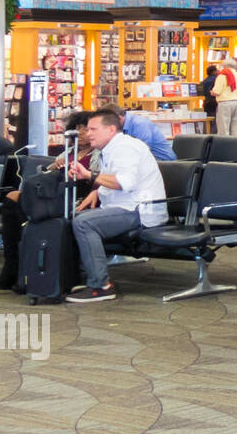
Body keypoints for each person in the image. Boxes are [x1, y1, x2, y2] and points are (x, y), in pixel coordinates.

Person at [66, 110, 167, 303]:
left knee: (84, 223)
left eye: (93, 129)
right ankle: (86, 277)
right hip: (127, 206)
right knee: (73, 216)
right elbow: (115, 181)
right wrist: (97, 191)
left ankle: (100, 286)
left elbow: (124, 182)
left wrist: (90, 176)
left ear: (111, 129)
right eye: (87, 129)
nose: (88, 134)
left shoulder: (126, 148)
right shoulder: (112, 148)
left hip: (140, 210)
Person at [0, 112, 98, 292]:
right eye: (76, 128)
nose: (79, 133)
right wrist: (53, 167)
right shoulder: (69, 152)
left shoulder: (98, 154)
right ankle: (16, 265)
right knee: (12, 202)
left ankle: (21, 271)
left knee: (20, 209)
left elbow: (95, 181)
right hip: (56, 196)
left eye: (85, 129)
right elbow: (47, 177)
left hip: (76, 198)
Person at [213, 65, 237, 137]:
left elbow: (216, 92)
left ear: (225, 66)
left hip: (225, 103)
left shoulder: (222, 76)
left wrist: (212, 92)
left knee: (224, 127)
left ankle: (225, 145)